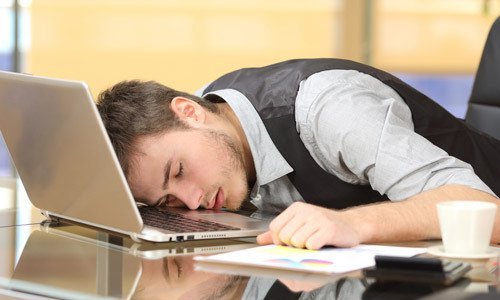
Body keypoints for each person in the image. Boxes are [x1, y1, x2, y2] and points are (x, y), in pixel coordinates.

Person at [96, 58, 500, 250]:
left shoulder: (330, 109)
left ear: (189, 112)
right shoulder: (215, 112)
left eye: (179, 172)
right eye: (167, 202)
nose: (192, 202)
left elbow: (482, 208)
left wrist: (353, 225)